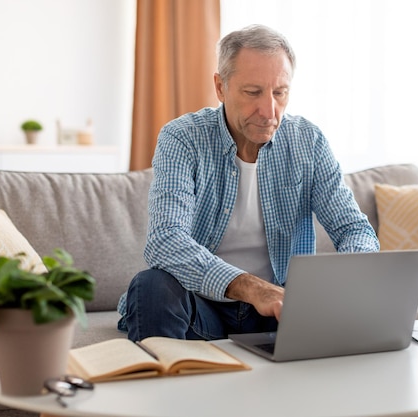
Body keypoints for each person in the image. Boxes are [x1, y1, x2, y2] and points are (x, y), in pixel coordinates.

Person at [118, 24, 379, 342]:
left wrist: (342, 279)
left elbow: (355, 230)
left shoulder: (307, 141)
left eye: (280, 92)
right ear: (220, 86)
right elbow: (165, 241)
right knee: (150, 286)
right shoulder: (183, 138)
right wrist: (252, 288)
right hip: (205, 309)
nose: (269, 111)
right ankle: (167, 385)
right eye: (253, 92)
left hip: (282, 313)